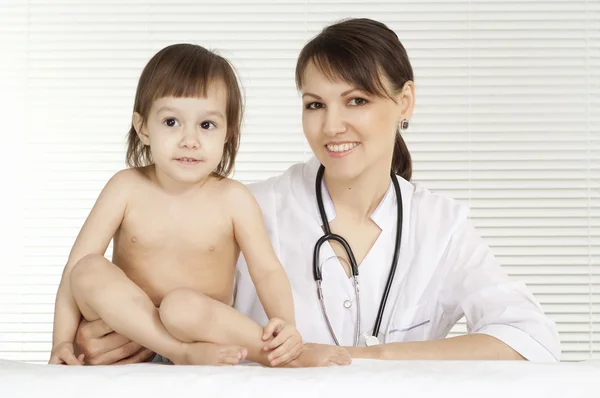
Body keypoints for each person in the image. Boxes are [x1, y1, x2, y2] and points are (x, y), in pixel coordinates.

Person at [72, 18, 561, 365]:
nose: (332, 126)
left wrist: (363, 359)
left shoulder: (442, 227)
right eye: (314, 104)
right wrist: (108, 340)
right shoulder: (246, 206)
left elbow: (530, 339)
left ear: (405, 102)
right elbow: (161, 306)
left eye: (357, 100)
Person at [48, 43, 351, 368]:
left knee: (180, 306)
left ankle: (282, 354)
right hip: (128, 333)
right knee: (87, 269)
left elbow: (266, 270)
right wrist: (61, 342)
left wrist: (285, 326)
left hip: (200, 333)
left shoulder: (233, 199)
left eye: (206, 125)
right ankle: (179, 353)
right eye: (171, 122)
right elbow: (74, 271)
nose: (189, 139)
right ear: (143, 127)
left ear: (227, 133)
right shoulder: (126, 188)